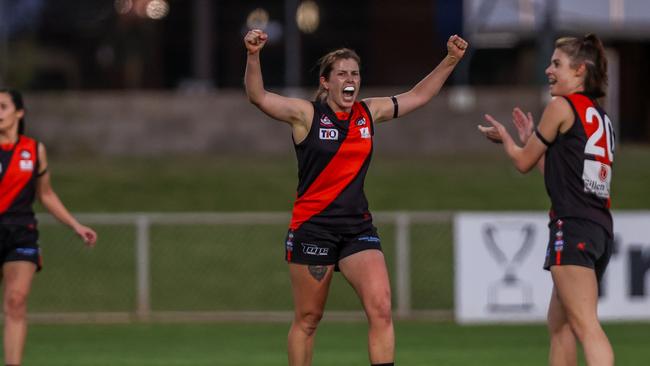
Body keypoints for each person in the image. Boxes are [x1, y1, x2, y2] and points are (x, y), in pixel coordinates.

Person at [244, 29, 467, 366]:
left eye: (355, 73)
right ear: (325, 82)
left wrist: (450, 60)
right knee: (308, 319)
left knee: (381, 309)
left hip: (357, 228)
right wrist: (253, 54)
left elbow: (419, 96)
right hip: (313, 228)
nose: (350, 80)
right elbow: (258, 96)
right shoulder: (306, 115)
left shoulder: (368, 113)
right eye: (342, 74)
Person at [478, 34, 614, 366]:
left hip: (574, 227)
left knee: (585, 326)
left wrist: (510, 141)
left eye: (556, 64)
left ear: (580, 70)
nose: (548, 70)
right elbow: (561, 175)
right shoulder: (598, 116)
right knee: (560, 325)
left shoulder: (561, 106)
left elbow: (522, 162)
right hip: (597, 230)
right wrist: (529, 141)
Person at [0, 89, 97, 365]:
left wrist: (75, 225)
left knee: (16, 301)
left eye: (3, 106)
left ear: (19, 112)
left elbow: (46, 194)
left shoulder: (34, 149)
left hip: (21, 232)